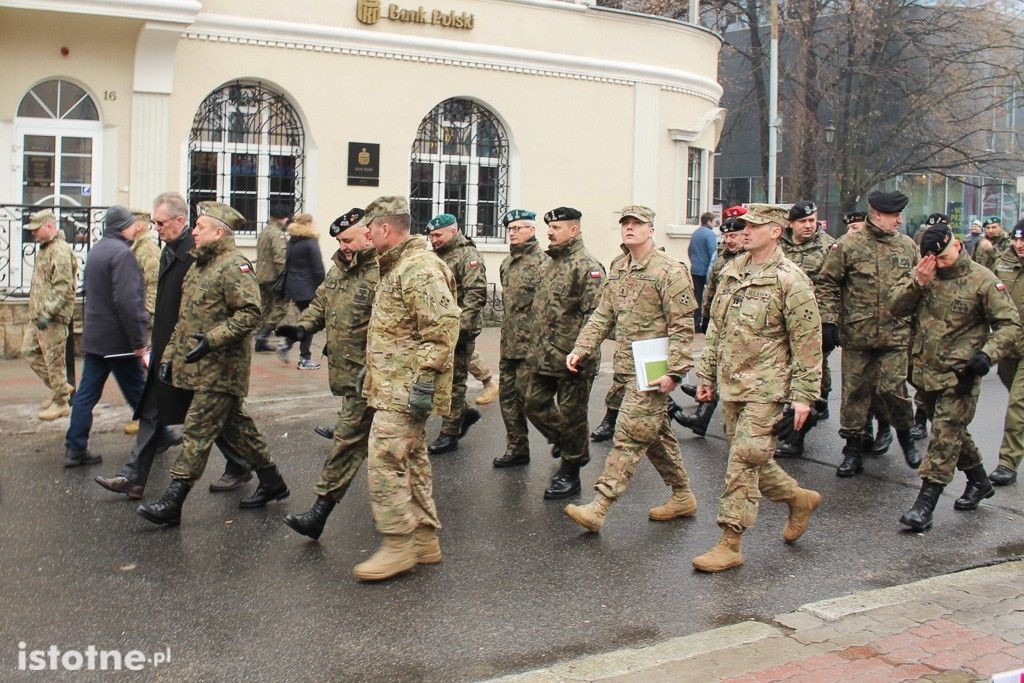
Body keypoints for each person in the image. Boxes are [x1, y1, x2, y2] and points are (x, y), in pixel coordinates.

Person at [137, 201, 290, 526]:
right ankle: (273, 482)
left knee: (196, 431)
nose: (194, 231)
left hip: (223, 369)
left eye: (200, 227)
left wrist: (212, 340)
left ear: (218, 232)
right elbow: (184, 320)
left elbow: (250, 314)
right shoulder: (199, 265)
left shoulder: (235, 265)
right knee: (238, 428)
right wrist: (167, 359)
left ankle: (173, 502)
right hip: (198, 368)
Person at [691, 203, 824, 573]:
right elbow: (716, 329)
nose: (744, 231)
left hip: (769, 386)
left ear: (776, 231)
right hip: (733, 382)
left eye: (754, 226)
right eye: (743, 226)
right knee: (751, 456)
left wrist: (803, 397)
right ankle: (798, 498)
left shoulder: (790, 279)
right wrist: (706, 376)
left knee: (744, 458)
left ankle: (729, 541)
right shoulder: (733, 270)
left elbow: (808, 342)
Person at [94, 193, 252, 500]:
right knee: (155, 408)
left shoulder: (197, 254)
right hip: (168, 349)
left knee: (209, 415)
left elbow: (215, 309)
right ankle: (134, 476)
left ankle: (242, 464)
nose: (156, 228)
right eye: (154, 222)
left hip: (195, 352)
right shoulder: (169, 251)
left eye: (161, 222)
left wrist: (199, 343)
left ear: (180, 221)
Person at [563, 205, 698, 532]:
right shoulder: (619, 267)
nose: (630, 228)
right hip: (626, 366)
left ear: (651, 229)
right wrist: (582, 347)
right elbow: (603, 314)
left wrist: (675, 370)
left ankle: (599, 506)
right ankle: (683, 495)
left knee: (630, 433)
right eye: (625, 223)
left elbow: (682, 326)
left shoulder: (670, 271)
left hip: (654, 367)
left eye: (637, 223)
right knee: (655, 435)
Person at [352, 196, 459, 582]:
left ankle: (397, 545)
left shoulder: (418, 268)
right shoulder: (397, 266)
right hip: (393, 384)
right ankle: (425, 540)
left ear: (385, 229)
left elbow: (443, 327)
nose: (365, 234)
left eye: (369, 227)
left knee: (385, 458)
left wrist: (424, 381)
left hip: (406, 388)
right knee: (412, 459)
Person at [893, 221, 1020, 531]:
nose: (939, 264)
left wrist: (986, 355)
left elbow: (1010, 325)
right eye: (932, 259)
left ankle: (925, 504)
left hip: (961, 375)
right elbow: (895, 309)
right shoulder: (925, 275)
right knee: (950, 433)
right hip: (925, 373)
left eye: (944, 257)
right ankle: (978, 480)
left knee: (944, 435)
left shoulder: (982, 280)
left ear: (958, 246)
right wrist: (917, 283)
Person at [277, 208, 377, 540]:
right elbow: (321, 304)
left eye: (348, 240)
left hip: (373, 379)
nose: (343, 247)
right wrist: (301, 329)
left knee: (347, 443)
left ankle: (319, 512)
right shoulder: (339, 270)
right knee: (397, 451)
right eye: (339, 241)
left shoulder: (383, 271)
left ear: (368, 234)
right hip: (349, 376)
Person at [818, 190, 922, 477]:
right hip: (857, 333)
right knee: (855, 392)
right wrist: (828, 322)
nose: (900, 221)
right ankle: (852, 450)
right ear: (877, 215)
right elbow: (827, 283)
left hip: (896, 334)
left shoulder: (907, 247)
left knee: (893, 389)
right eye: (895, 215)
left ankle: (906, 437)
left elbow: (921, 287)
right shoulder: (848, 245)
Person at [524, 207, 604, 499]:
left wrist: (582, 351)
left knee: (573, 415)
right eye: (550, 227)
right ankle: (568, 442)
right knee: (533, 403)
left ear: (574, 230)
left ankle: (571, 472)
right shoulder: (550, 262)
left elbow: (595, 315)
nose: (550, 232)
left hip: (573, 358)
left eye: (556, 227)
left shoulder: (587, 266)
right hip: (545, 355)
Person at [63, 206, 149, 468]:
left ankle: (75, 447)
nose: (136, 227)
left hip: (96, 339)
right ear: (122, 226)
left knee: (86, 395)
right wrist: (138, 341)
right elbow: (127, 301)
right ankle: (160, 434)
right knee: (139, 391)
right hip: (118, 341)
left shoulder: (97, 250)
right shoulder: (123, 254)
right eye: (132, 223)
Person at [674, 211, 747, 436]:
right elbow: (711, 289)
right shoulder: (722, 258)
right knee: (712, 367)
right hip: (722, 325)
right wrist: (705, 317)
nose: (730, 240)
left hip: (747, 330)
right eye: (727, 236)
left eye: (735, 235)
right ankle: (702, 418)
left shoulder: (754, 258)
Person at [776, 200, 835, 457]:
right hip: (782, 322)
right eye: (803, 221)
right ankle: (784, 427)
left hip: (814, 322)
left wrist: (830, 322)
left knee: (806, 379)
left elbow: (834, 286)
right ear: (791, 224)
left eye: (812, 221)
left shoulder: (829, 247)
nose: (809, 225)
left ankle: (796, 438)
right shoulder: (779, 246)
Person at [424, 213, 487, 454]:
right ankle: (463, 413)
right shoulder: (436, 256)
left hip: (459, 331)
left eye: (438, 235)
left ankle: (449, 434)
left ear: (453, 231)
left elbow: (476, 293)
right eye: (431, 235)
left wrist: (461, 328)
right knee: (437, 380)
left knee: (454, 382)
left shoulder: (467, 255)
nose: (434, 239)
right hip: (436, 329)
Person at [492, 209, 547, 468]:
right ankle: (517, 448)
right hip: (509, 343)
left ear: (532, 230)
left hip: (531, 345)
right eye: (510, 229)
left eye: (518, 229)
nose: (512, 233)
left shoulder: (544, 263)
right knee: (508, 400)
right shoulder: (507, 264)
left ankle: (563, 440)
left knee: (532, 400)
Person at [22, 209, 77, 421]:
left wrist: (47, 313)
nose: (33, 234)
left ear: (49, 226)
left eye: (36, 230)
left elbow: (63, 288)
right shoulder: (46, 249)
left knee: (55, 362)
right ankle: (60, 390)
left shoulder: (60, 251)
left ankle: (62, 402)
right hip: (38, 316)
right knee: (28, 351)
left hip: (51, 319)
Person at [990, 219, 1024, 486]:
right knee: (1011, 388)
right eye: (1017, 239)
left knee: (1017, 405)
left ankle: (1007, 462)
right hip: (1007, 345)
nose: (1020, 245)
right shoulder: (1002, 263)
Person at [122, 211, 161, 436]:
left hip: (145, 316)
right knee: (140, 367)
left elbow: (154, 284)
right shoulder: (137, 248)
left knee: (144, 367)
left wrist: (146, 313)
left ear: (138, 225)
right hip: (139, 315)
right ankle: (147, 414)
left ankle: (149, 417)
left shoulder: (147, 250)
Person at [278, 213, 325, 369]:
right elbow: (318, 268)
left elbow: (288, 266)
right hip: (308, 289)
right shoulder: (310, 242)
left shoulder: (293, 240)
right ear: (308, 224)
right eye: (312, 222)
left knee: (304, 321)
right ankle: (304, 358)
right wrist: (323, 286)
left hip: (294, 287)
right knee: (311, 323)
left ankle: (287, 343)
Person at [254, 202, 290, 351]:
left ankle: (260, 344)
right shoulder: (277, 234)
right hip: (273, 278)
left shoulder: (265, 231)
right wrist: (285, 277)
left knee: (266, 308)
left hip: (261, 275)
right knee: (282, 306)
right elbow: (280, 258)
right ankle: (263, 334)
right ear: (282, 218)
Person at [688, 211, 718, 332]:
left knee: (697, 297)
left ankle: (696, 323)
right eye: (714, 221)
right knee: (709, 297)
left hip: (695, 269)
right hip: (706, 271)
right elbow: (713, 253)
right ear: (709, 221)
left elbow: (690, 251)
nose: (715, 223)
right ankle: (705, 323)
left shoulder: (696, 233)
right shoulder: (710, 234)